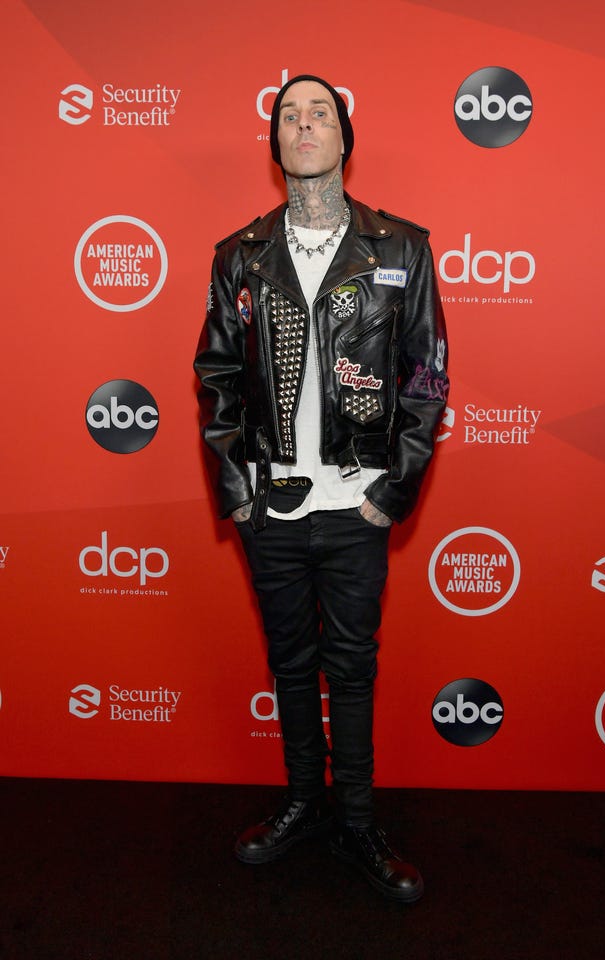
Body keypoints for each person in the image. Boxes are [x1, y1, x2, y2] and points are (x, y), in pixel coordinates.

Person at [194, 75, 449, 903]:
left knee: (354, 667)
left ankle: (358, 821)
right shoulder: (240, 255)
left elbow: (426, 380)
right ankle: (305, 804)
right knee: (291, 664)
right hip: (271, 504)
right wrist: (238, 493)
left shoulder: (401, 249)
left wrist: (389, 494)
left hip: (357, 504)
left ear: (344, 137)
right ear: (275, 142)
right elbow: (217, 378)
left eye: (320, 113)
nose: (304, 126)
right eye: (289, 115)